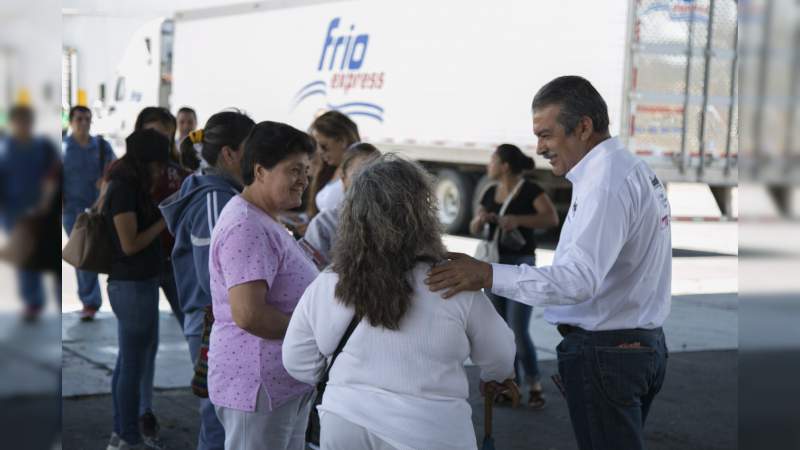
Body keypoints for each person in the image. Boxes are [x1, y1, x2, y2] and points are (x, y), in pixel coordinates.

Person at [426, 75, 672, 450]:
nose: (539, 148)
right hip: (634, 346)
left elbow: (578, 281)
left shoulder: (605, 182)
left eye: (546, 134)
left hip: (608, 351)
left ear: (584, 127)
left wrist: (488, 274)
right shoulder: (626, 169)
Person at [282, 155, 516, 450]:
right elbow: (500, 356)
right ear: (423, 213)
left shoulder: (330, 283)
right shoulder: (454, 283)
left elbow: (296, 361)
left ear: (353, 215)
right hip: (432, 431)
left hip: (344, 423)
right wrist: (494, 377)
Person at [207, 121, 317, 449]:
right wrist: (313, 334)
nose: (304, 180)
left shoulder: (265, 218)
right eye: (294, 170)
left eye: (307, 170)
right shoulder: (246, 226)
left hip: (282, 384)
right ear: (260, 171)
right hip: (256, 385)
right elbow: (250, 314)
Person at [160, 110, 255, 450]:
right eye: (251, 149)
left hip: (210, 321)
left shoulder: (215, 191)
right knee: (219, 420)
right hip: (211, 323)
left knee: (219, 417)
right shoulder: (216, 199)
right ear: (229, 154)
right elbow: (214, 277)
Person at [469, 143, 559, 408]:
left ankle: (534, 385)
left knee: (518, 330)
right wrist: (482, 219)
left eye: (493, 160)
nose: (489, 165)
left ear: (505, 165)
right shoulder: (489, 191)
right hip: (493, 266)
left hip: (521, 263)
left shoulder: (530, 190)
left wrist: (518, 220)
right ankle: (511, 385)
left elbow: (551, 219)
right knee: (500, 331)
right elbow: (474, 226)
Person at [103, 129, 170, 450]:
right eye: (157, 165)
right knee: (132, 365)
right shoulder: (124, 189)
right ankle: (128, 436)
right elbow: (130, 244)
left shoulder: (129, 185)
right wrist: (164, 220)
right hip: (131, 285)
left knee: (127, 363)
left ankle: (121, 433)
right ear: (145, 162)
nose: (160, 172)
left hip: (137, 284)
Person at [132, 106, 191, 444]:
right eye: (153, 132)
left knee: (197, 329)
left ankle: (217, 398)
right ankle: (144, 410)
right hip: (139, 266)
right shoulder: (125, 171)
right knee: (146, 343)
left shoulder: (180, 172)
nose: (160, 139)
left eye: (165, 133)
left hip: (174, 262)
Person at [0, 105, 59, 322]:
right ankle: (33, 302)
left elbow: (55, 175)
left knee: (49, 256)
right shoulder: (4, 148)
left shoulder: (43, 147)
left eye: (26, 121)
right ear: (12, 123)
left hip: (43, 212)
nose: (23, 125)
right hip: (13, 213)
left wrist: (48, 201)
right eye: (18, 121)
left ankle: (57, 301)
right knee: (25, 258)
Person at [62, 105, 116, 321]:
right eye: (79, 119)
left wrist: (106, 182)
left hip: (100, 209)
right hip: (72, 212)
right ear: (71, 121)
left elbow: (114, 171)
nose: (83, 123)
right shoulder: (63, 148)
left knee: (102, 252)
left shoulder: (102, 146)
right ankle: (90, 302)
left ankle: (106, 298)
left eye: (87, 118)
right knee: (83, 254)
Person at [300, 142, 380, 266]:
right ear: (343, 178)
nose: (368, 182)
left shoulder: (397, 223)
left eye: (377, 175)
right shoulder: (324, 224)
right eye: (360, 175)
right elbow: (312, 272)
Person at [307, 110, 360, 215]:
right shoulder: (330, 169)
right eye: (317, 147)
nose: (320, 152)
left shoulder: (359, 172)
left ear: (342, 141)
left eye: (324, 146)